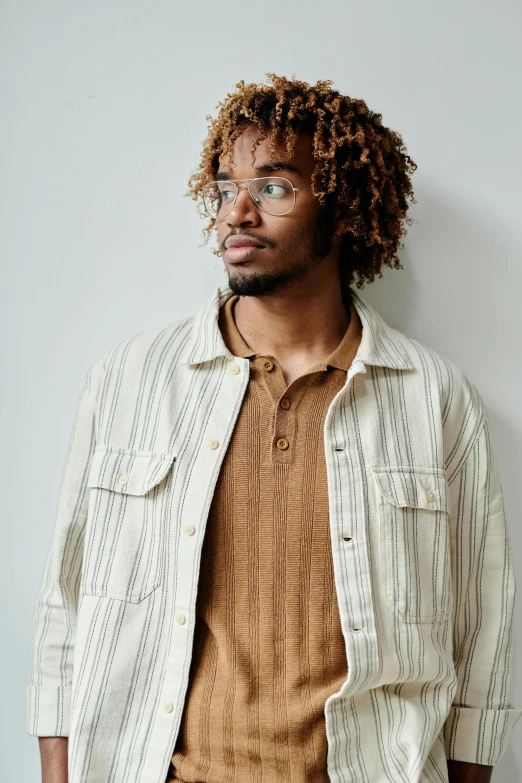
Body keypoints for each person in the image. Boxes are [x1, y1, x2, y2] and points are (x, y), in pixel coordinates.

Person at [27, 73, 521, 783]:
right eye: (226, 188)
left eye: (275, 187)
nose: (238, 213)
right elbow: (65, 609)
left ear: (343, 208)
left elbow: (484, 636)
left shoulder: (433, 398)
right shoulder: (130, 380)